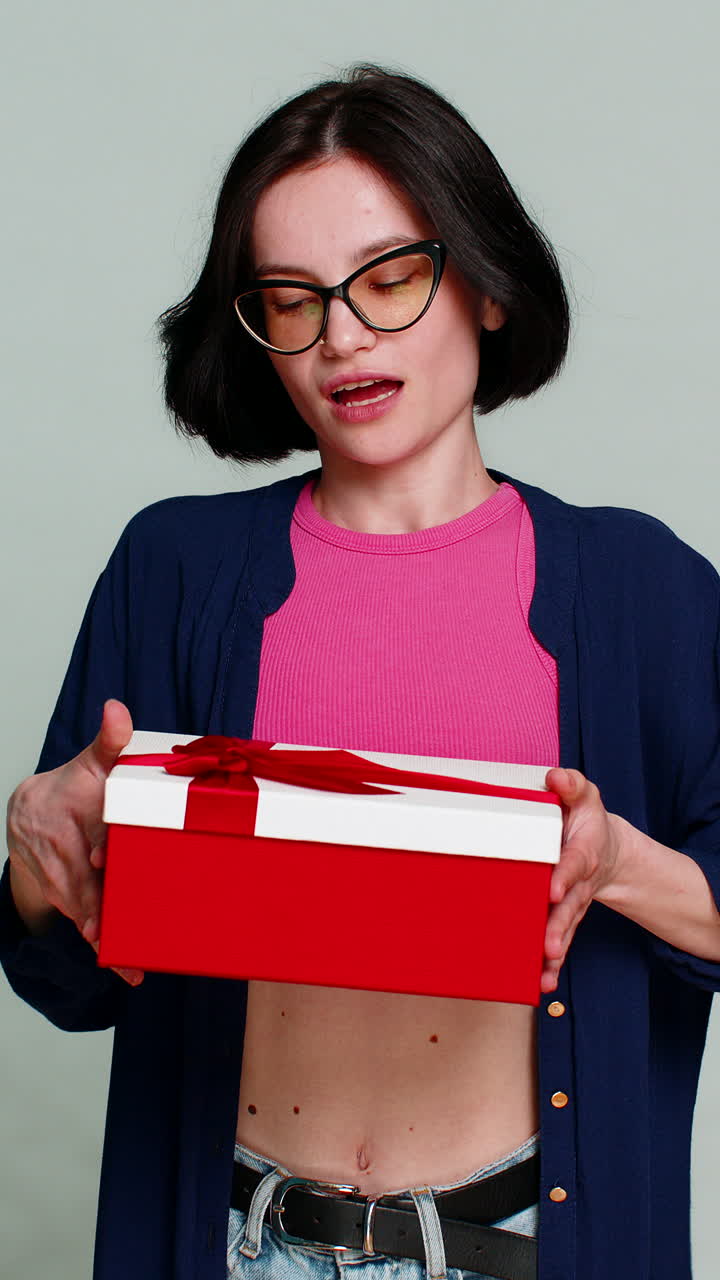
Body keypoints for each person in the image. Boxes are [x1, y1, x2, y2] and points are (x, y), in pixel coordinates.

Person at [2, 62, 720, 1280]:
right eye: (292, 299)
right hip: (241, 1240)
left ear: (486, 287)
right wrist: (37, 862)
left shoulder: (642, 588)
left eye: (390, 279)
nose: (343, 336)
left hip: (528, 1248)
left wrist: (617, 864)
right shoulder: (176, 567)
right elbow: (70, 978)